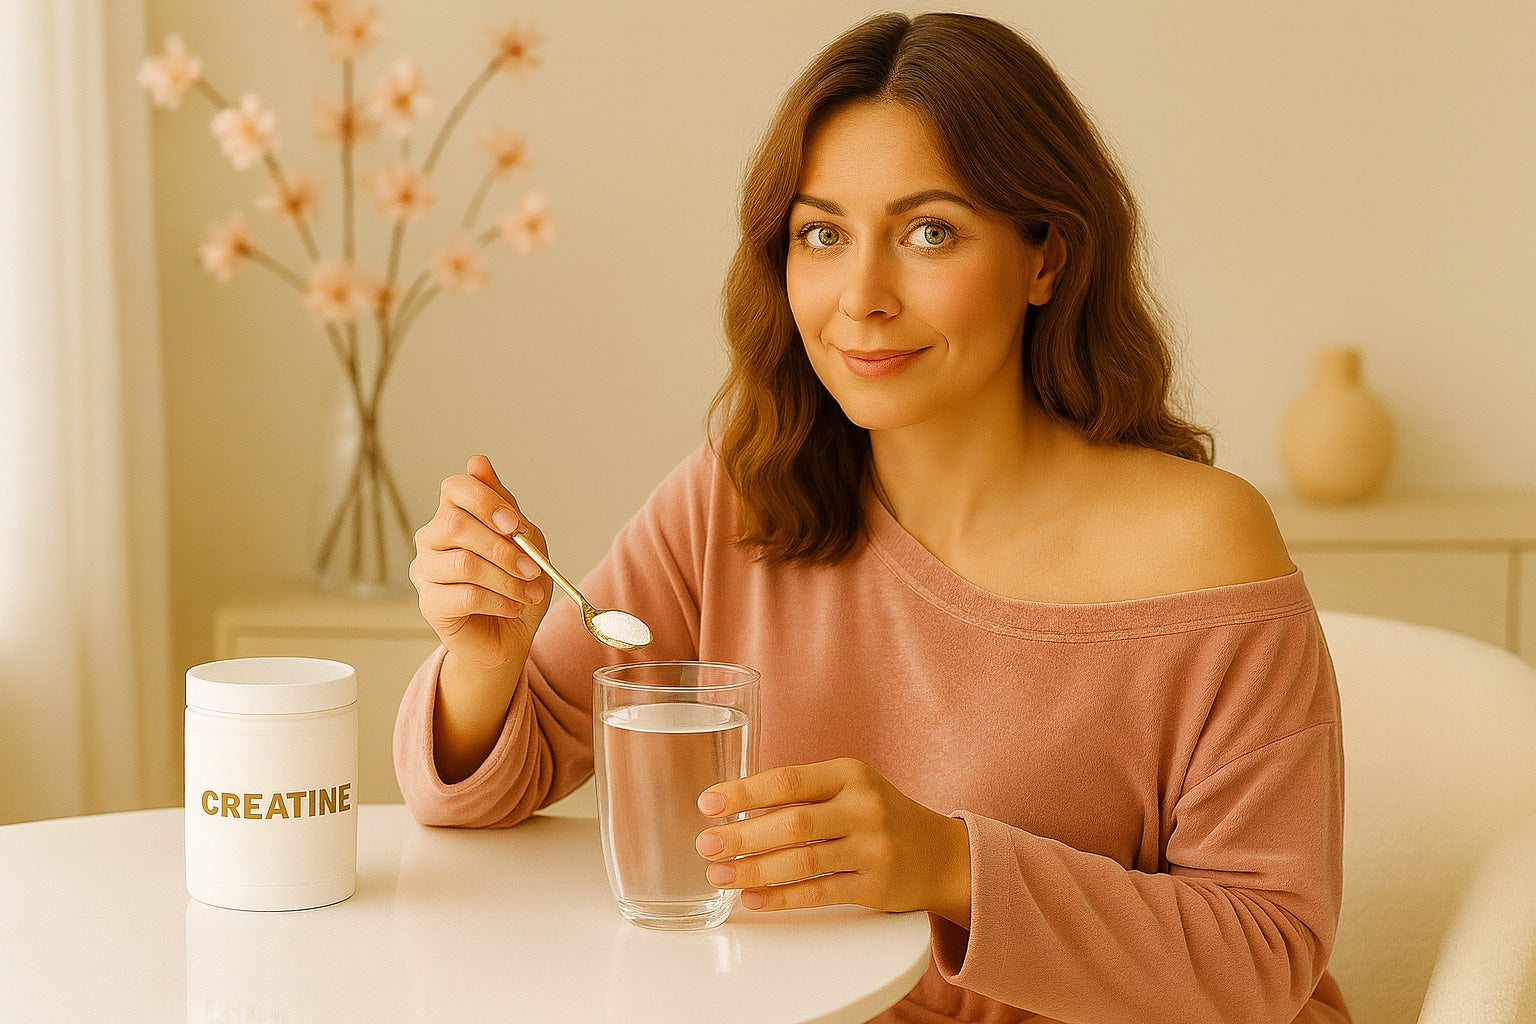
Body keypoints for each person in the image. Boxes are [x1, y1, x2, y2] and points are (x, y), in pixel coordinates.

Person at [394, 12, 1349, 1024]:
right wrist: (486, 663)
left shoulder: (1200, 543)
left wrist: (951, 863)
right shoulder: (744, 494)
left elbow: (1265, 960)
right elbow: (483, 795)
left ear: (1046, 257)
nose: (861, 296)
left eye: (929, 232)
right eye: (822, 234)